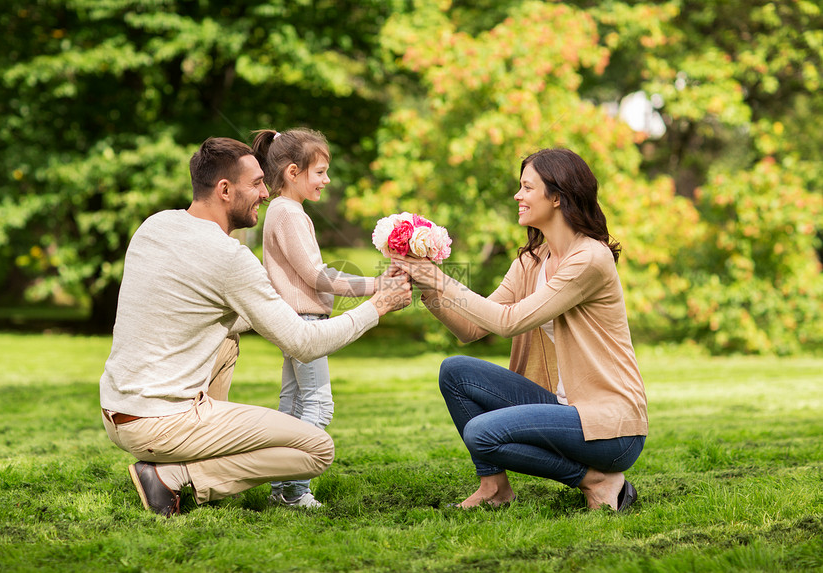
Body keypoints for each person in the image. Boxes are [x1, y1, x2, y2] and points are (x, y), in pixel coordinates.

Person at [99, 136, 411, 517]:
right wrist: (378, 306)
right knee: (316, 449)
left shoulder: (155, 225)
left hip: (116, 411)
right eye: (257, 183)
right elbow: (303, 343)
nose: (266, 192)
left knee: (227, 340)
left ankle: (178, 459)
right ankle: (176, 476)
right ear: (225, 190)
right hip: (162, 423)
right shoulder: (230, 257)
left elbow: (212, 311)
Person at [393, 148, 648, 511]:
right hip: (562, 408)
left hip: (610, 426)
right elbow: (470, 328)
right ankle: (495, 489)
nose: (518, 196)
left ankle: (597, 480)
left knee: (481, 433)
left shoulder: (590, 259)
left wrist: (439, 277)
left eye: (528, 188)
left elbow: (508, 322)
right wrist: (428, 285)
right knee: (456, 372)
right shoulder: (532, 261)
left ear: (557, 197)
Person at [252, 128, 379, 508]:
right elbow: (317, 276)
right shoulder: (288, 213)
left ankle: (280, 488)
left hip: (296, 319)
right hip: (304, 322)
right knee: (319, 405)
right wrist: (376, 285)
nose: (326, 180)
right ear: (293, 172)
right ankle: (294, 489)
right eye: (320, 172)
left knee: (291, 407)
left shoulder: (285, 210)